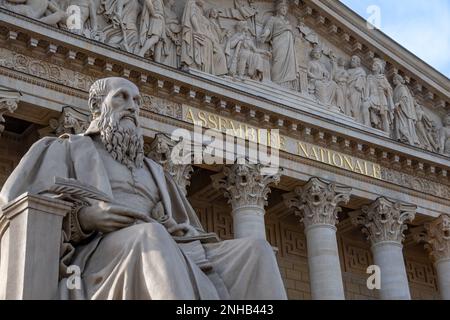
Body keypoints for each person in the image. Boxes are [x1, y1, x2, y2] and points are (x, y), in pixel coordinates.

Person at [0, 77, 287, 300]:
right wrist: (84, 220)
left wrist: (178, 229)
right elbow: (16, 208)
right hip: (96, 252)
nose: (132, 107)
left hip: (166, 246)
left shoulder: (155, 170)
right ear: (97, 107)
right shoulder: (64, 149)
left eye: (137, 101)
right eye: (122, 98)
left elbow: (185, 227)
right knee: (151, 236)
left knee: (255, 251)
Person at [259, 0, 298, 88]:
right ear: (278, 8)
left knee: (289, 64)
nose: (285, 10)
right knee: (278, 60)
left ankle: (287, 85)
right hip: (279, 43)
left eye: (286, 8)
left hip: (289, 46)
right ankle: (276, 81)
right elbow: (268, 28)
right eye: (283, 8)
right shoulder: (273, 19)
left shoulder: (287, 22)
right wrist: (265, 34)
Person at [363, 58, 394, 133]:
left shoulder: (383, 78)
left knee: (384, 116)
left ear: (379, 68)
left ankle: (387, 134)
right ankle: (367, 125)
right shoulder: (369, 77)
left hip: (381, 98)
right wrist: (366, 97)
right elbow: (367, 88)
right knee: (364, 105)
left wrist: (384, 87)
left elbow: (389, 89)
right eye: (373, 65)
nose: (373, 66)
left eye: (375, 65)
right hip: (372, 97)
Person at [392, 74, 420, 146]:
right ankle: (402, 137)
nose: (393, 81)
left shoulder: (402, 88)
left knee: (403, 125)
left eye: (395, 79)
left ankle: (406, 138)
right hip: (398, 110)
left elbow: (404, 98)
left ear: (398, 80)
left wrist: (398, 103)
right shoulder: (396, 89)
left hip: (403, 111)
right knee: (400, 125)